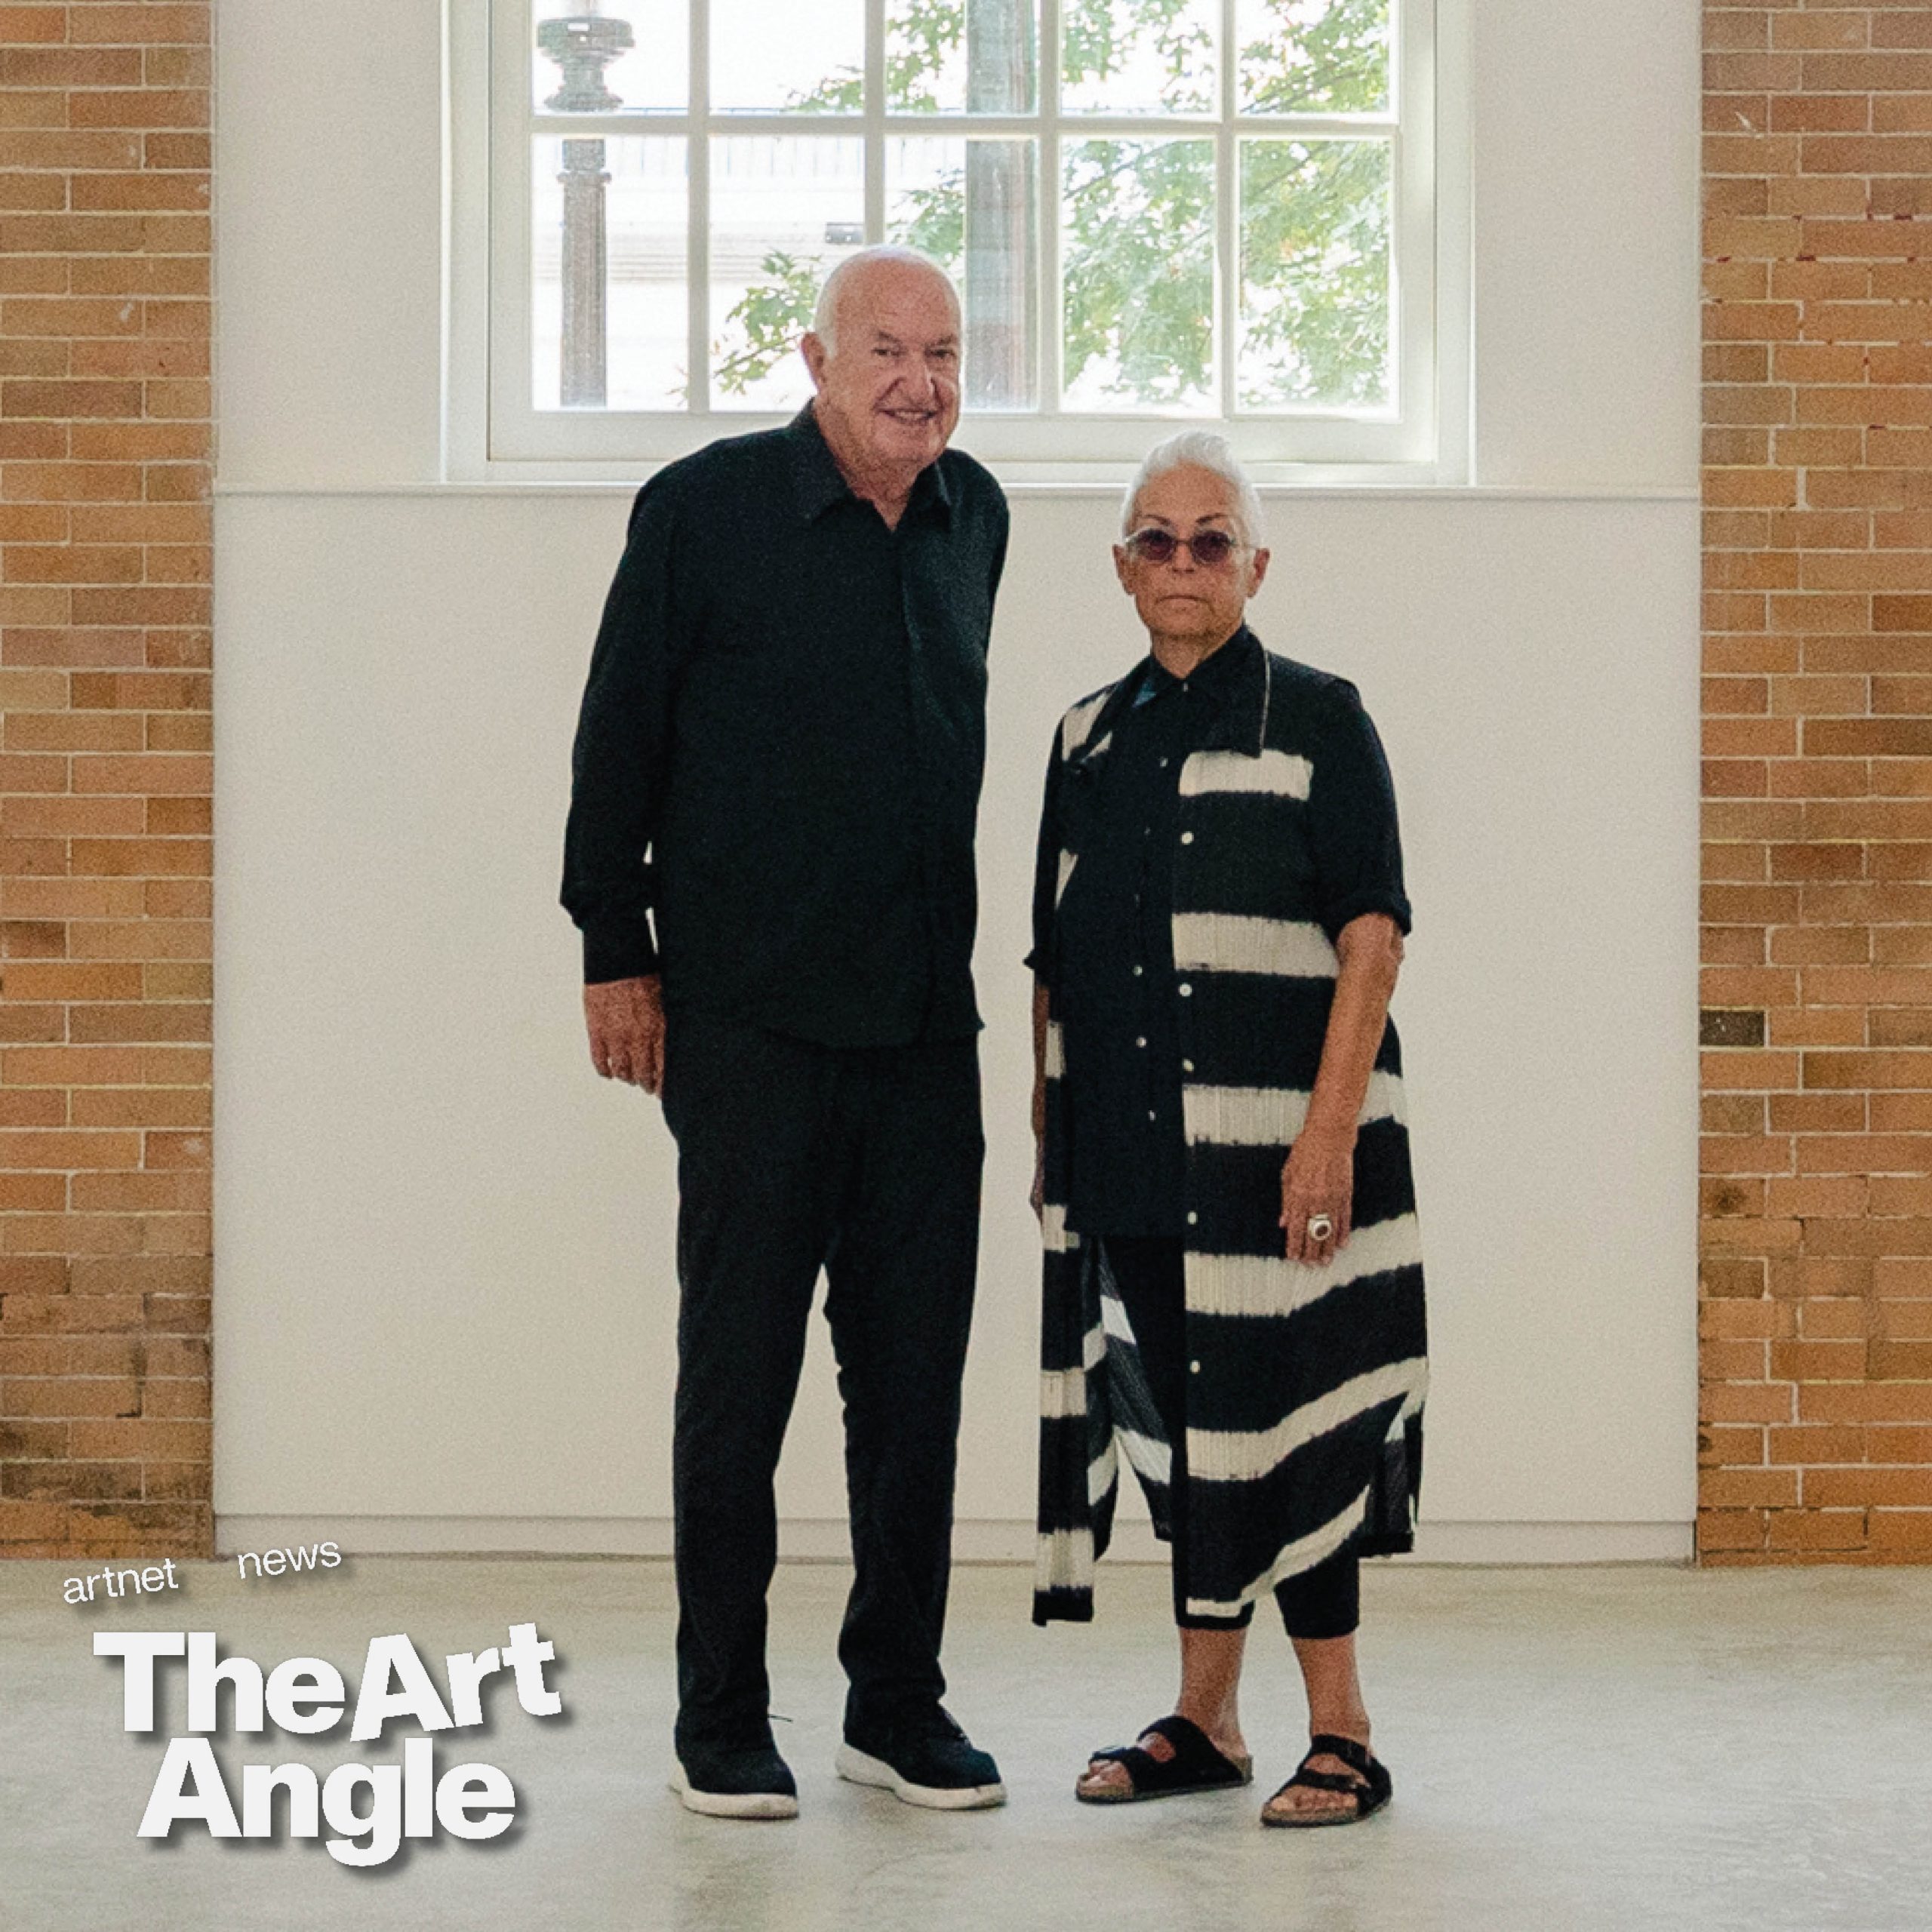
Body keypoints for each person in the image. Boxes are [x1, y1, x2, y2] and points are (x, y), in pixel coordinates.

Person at [562, 246, 1009, 1821]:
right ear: (812, 360)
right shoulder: (703, 509)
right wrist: (616, 950)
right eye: (884, 347)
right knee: (736, 1379)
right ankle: (719, 1713)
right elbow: (616, 736)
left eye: (943, 349)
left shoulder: (979, 518)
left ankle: (895, 1702)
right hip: (746, 1025)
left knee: (913, 1389)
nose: (918, 379)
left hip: (919, 1033)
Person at [1027, 431, 1427, 1826]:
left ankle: (1345, 1730)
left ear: (1254, 565)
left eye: (1212, 540)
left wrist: (1326, 1142)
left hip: (1279, 1156)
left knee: (1295, 1428)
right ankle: (1206, 1720)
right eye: (1157, 538)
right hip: (1134, 1156)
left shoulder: (1320, 719)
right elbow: (1050, 963)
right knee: (1190, 1439)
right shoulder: (1085, 736)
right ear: (1123, 567)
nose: (1183, 562)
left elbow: (1371, 937)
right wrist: (1049, 1142)